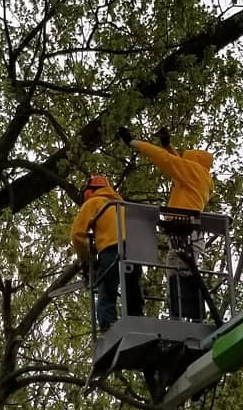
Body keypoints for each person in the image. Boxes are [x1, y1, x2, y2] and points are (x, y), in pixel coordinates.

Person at [117, 126, 215, 320]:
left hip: (185, 234)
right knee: (180, 272)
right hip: (186, 233)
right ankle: (187, 317)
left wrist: (133, 143)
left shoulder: (193, 171)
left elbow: (167, 160)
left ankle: (183, 318)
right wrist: (168, 145)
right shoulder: (200, 176)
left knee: (180, 274)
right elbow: (178, 161)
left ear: (192, 162)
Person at [70, 175, 143, 332]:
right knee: (133, 290)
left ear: (90, 190)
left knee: (107, 291)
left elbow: (77, 235)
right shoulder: (122, 204)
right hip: (134, 250)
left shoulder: (93, 202)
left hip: (111, 251)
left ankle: (109, 326)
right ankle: (137, 324)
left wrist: (87, 259)